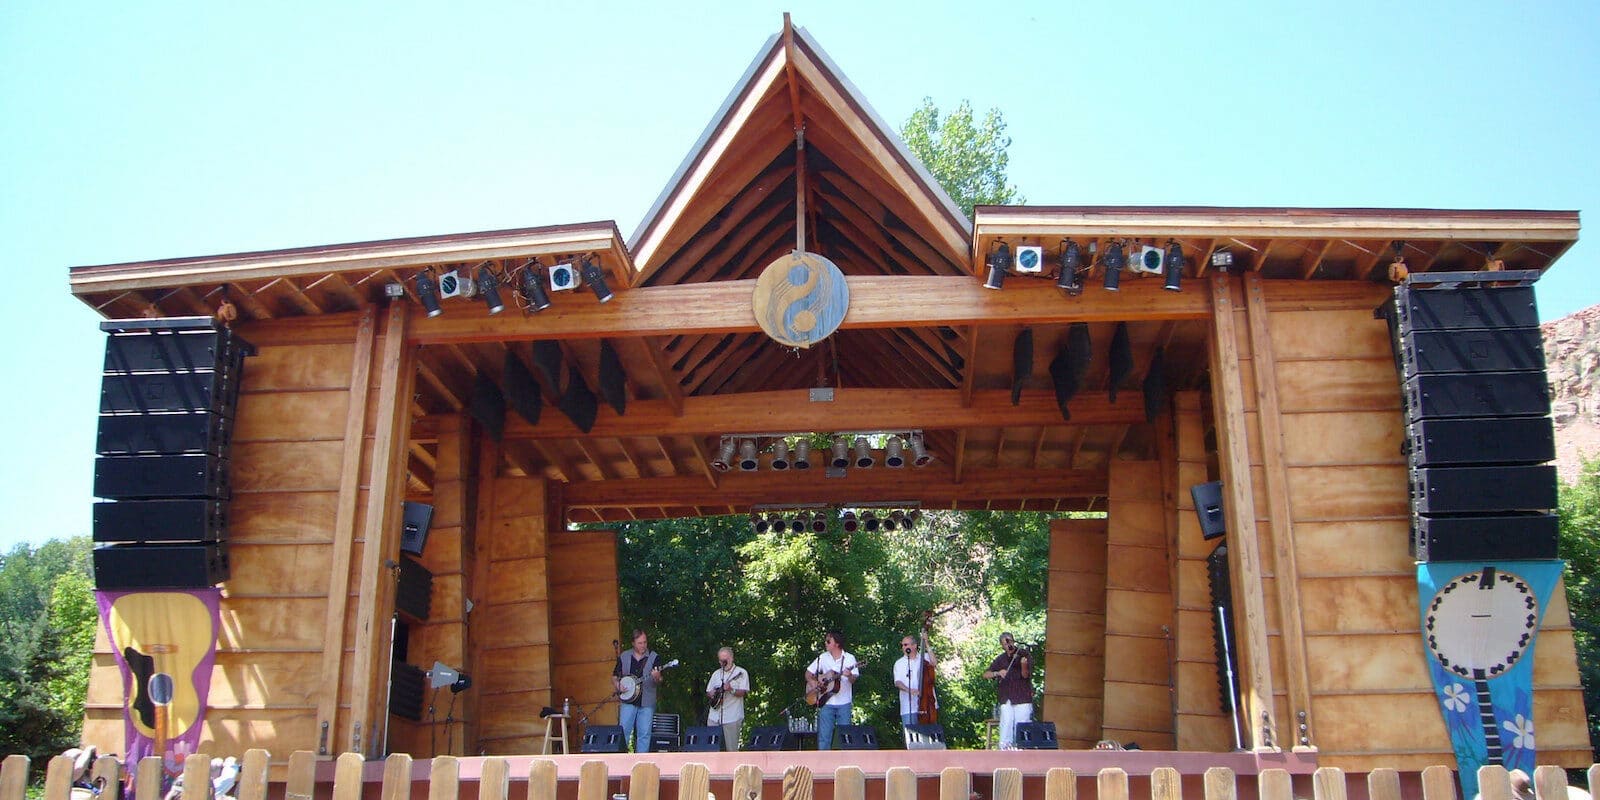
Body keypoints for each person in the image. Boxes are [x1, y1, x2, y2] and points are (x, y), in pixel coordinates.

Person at [804, 630, 859, 750]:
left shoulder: (849, 658)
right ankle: (823, 766)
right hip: (826, 702)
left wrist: (849, 675)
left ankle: (846, 765)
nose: (826, 643)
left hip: (844, 703)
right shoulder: (822, 658)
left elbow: (853, 679)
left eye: (828, 641)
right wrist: (812, 681)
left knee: (845, 737)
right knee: (824, 737)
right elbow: (808, 673)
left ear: (837, 644)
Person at [612, 628, 663, 753]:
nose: (643, 645)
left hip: (646, 701)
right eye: (640, 643)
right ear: (633, 643)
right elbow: (614, 677)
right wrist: (618, 686)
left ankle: (642, 764)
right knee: (623, 732)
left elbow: (660, 680)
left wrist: (657, 676)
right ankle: (621, 762)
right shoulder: (624, 657)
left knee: (644, 735)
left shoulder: (654, 657)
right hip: (628, 701)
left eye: (645, 642)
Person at [982, 631, 1033, 749]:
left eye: (1010, 642)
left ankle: (1022, 750)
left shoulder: (1024, 655)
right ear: (1002, 646)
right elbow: (986, 674)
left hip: (1022, 697)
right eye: (1005, 644)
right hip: (1006, 697)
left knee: (1022, 725)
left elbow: (1026, 675)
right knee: (1006, 725)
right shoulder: (1000, 659)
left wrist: (1023, 665)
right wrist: (997, 673)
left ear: (1013, 641)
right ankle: (1005, 752)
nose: (1009, 646)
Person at [706, 646, 750, 751]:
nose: (723, 662)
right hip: (714, 716)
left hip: (732, 716)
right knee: (710, 747)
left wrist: (731, 689)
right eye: (721, 660)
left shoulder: (741, 673)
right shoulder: (716, 674)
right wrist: (712, 694)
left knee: (731, 749)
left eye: (725, 660)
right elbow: (708, 691)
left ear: (732, 658)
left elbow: (743, 692)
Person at [892, 633, 937, 729]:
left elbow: (934, 663)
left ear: (914, 645)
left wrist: (926, 642)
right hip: (908, 707)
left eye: (906, 644)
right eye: (902, 645)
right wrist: (910, 690)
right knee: (911, 738)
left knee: (929, 736)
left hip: (927, 705)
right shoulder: (899, 663)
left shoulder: (924, 657)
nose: (903, 647)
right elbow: (897, 682)